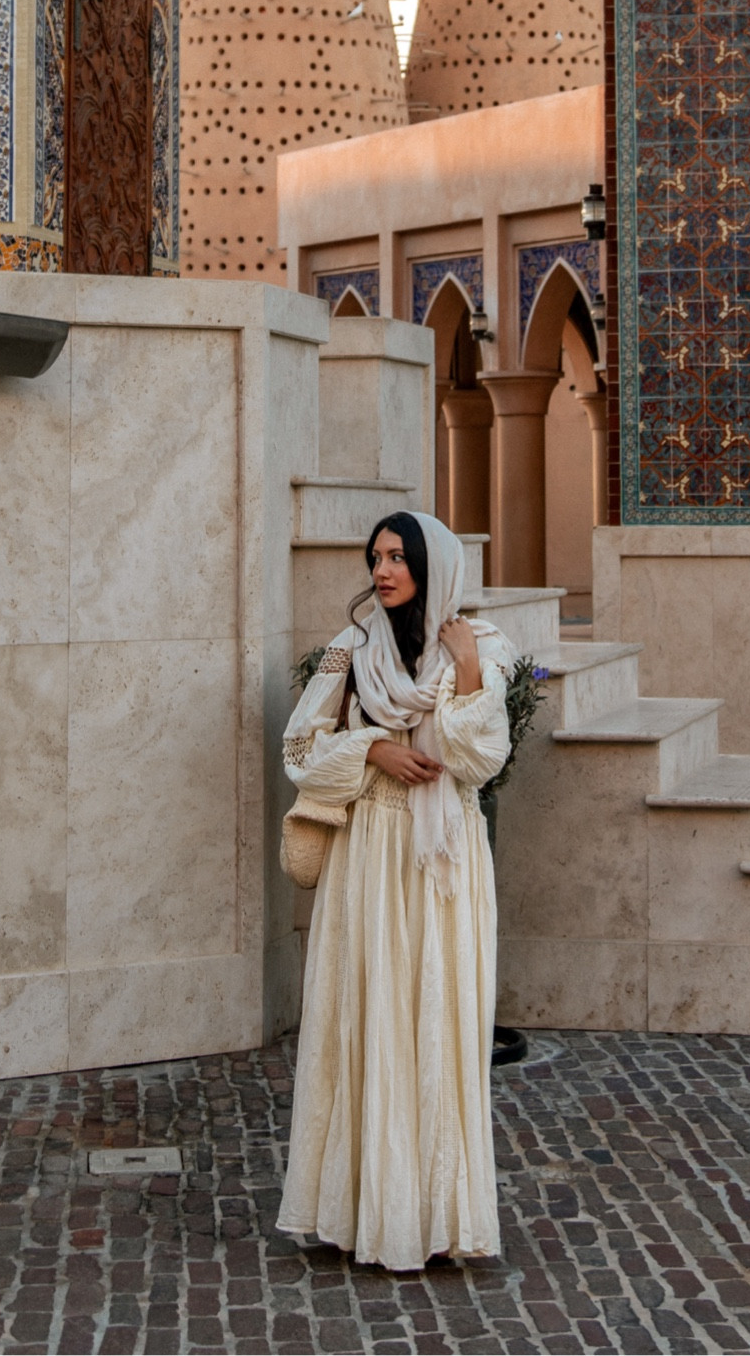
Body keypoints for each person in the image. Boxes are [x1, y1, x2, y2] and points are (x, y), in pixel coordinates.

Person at [276, 509, 515, 1270]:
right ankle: (360, 1211)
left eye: (397, 557)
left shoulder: (481, 646)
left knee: (440, 1019)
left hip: (443, 861)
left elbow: (481, 763)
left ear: (429, 565)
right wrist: (373, 749)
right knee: (368, 1017)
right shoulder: (351, 650)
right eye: (374, 557)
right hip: (371, 852)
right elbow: (297, 748)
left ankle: (437, 1216)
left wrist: (468, 672)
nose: (381, 571)